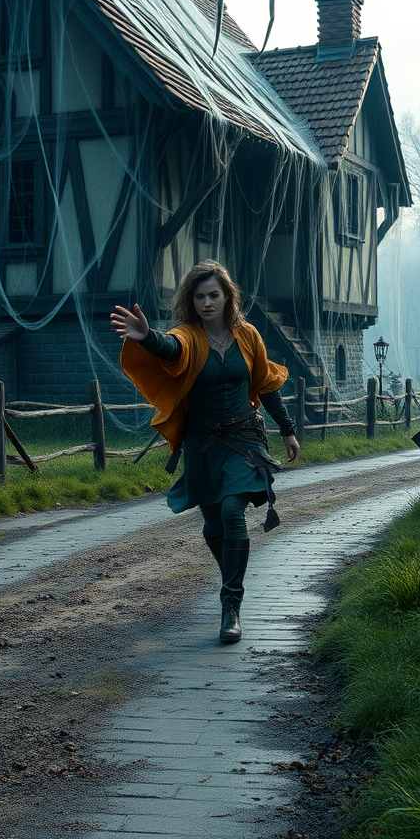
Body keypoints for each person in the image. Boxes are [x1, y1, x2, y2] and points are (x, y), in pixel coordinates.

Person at [111, 260, 300, 644]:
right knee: (215, 528)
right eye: (200, 297)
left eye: (214, 295)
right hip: (203, 446)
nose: (207, 303)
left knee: (233, 512)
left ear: (228, 297)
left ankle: (231, 604)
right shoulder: (189, 336)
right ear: (191, 300)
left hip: (244, 441)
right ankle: (231, 570)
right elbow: (168, 347)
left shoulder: (247, 336)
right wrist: (147, 336)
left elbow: (265, 384)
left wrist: (287, 430)